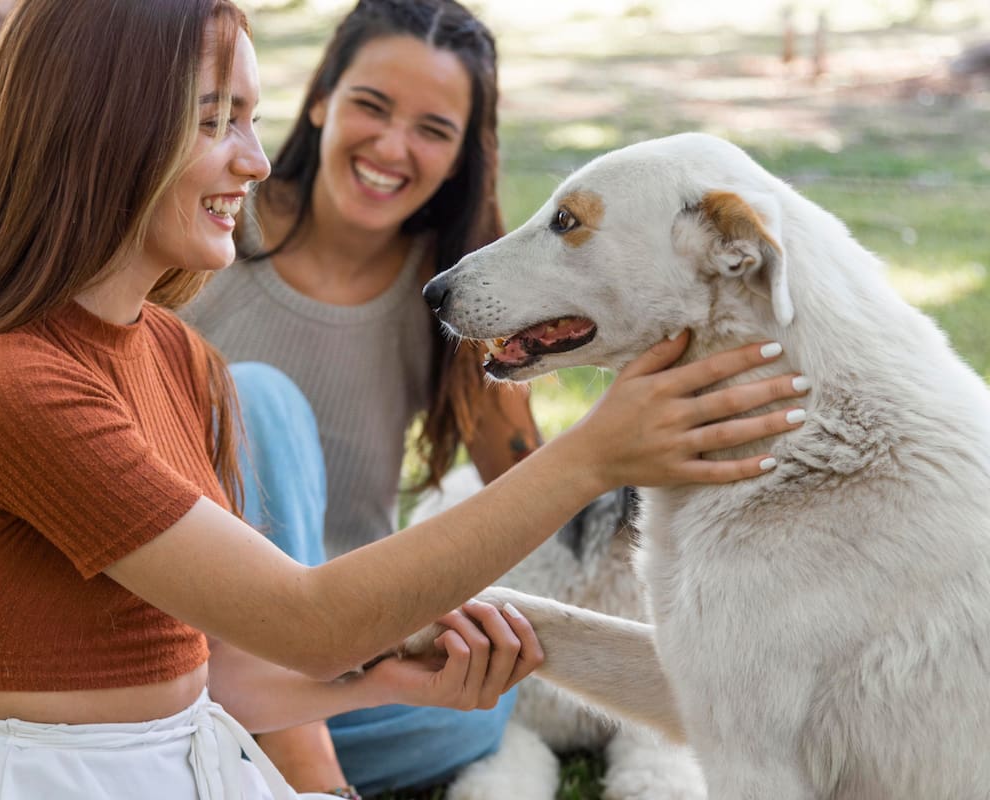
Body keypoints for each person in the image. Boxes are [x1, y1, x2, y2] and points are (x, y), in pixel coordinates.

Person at [0, 1, 808, 798]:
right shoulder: (7, 386)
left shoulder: (173, 354)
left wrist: (389, 677)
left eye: (251, 120)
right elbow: (304, 623)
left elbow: (196, 679)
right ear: (100, 130)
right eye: (216, 121)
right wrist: (592, 454)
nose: (254, 161)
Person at [181, 1, 810, 797]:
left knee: (477, 708)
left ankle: (226, 747)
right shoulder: (211, 230)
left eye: (432, 130)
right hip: (198, 623)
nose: (392, 146)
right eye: (370, 107)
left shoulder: (450, 290)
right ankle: (304, 774)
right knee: (261, 400)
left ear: (459, 157)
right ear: (319, 102)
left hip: (338, 654)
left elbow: (531, 490)